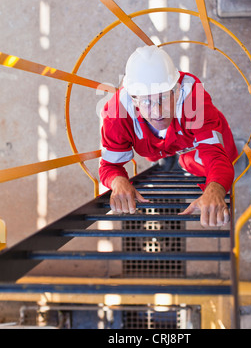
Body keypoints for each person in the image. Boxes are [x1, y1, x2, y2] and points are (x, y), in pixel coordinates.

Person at [99, 45, 238, 227]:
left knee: (220, 159)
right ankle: (167, 158)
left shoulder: (192, 96)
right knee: (153, 153)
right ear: (133, 99)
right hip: (157, 146)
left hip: (190, 142)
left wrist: (216, 188)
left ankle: (179, 160)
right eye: (147, 101)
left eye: (164, 97)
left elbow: (215, 155)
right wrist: (118, 181)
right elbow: (109, 166)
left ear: (177, 90)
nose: (157, 112)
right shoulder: (115, 114)